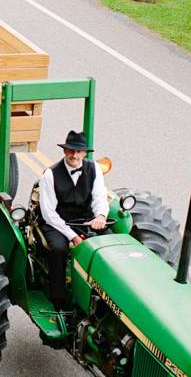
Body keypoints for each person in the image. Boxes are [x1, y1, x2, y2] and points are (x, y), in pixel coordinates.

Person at [39, 130, 109, 310]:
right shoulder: (50, 174)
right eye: (71, 150)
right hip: (58, 223)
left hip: (85, 219)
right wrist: (72, 236)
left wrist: (100, 215)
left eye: (79, 151)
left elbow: (100, 197)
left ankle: (101, 295)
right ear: (64, 151)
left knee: (107, 246)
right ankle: (58, 300)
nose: (74, 155)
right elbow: (49, 213)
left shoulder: (94, 169)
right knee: (59, 250)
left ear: (84, 153)